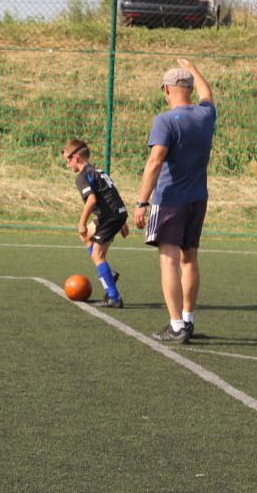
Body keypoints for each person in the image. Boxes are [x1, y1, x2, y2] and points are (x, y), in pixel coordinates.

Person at [133, 59, 216, 344]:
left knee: (168, 261)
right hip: (197, 199)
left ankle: (176, 324)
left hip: (169, 200)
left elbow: (155, 161)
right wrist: (193, 68)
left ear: (167, 89)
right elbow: (208, 95)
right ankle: (188, 320)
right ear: (190, 89)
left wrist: (141, 201)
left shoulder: (165, 120)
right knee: (189, 258)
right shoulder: (205, 116)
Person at [62, 138, 128, 308]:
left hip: (109, 217)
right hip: (116, 213)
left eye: (67, 161)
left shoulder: (83, 176)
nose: (67, 165)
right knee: (85, 236)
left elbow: (91, 200)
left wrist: (82, 222)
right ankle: (108, 275)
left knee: (98, 256)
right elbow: (112, 194)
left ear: (75, 158)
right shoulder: (98, 171)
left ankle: (114, 297)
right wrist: (122, 221)